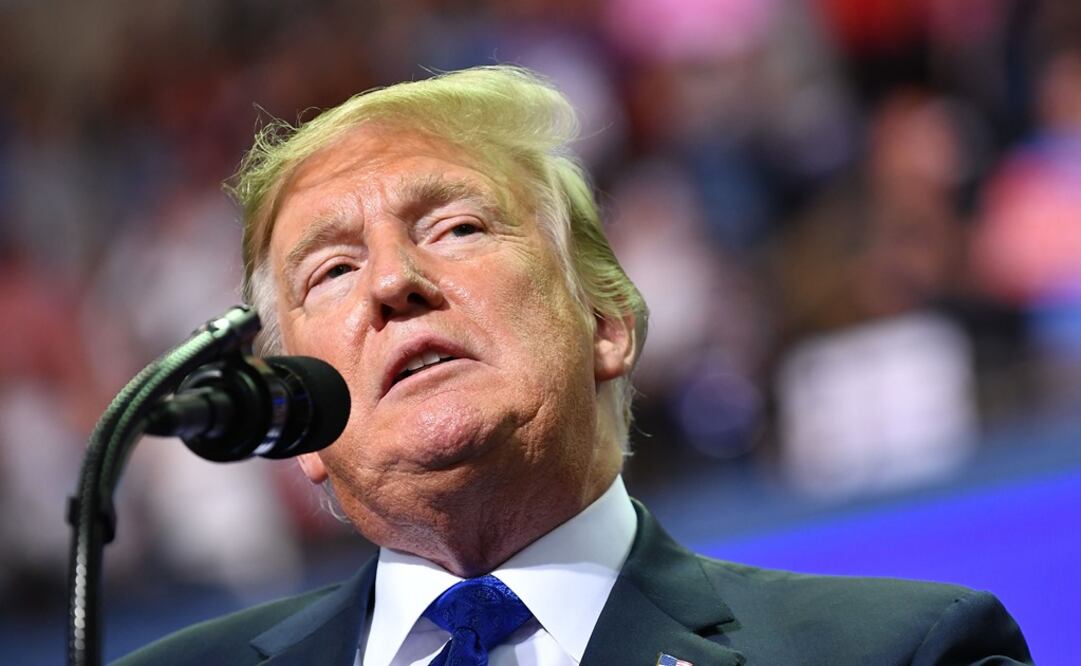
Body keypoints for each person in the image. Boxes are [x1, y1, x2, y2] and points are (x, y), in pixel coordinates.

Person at [117, 66, 1031, 665]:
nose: (393, 281)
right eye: (333, 270)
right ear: (301, 427)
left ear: (607, 321)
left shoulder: (901, 653)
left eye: (458, 227)